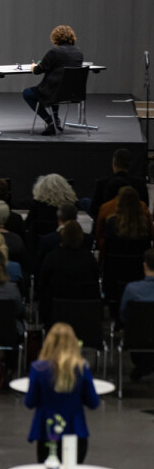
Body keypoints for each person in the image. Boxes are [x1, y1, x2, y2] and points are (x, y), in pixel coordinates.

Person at [24, 322, 100, 466]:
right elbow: (93, 402)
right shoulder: (81, 367)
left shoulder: (38, 369)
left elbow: (30, 402)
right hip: (75, 432)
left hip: (47, 433)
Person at [23, 25, 84, 136]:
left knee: (27, 93)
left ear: (55, 38)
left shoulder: (54, 52)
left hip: (54, 92)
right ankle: (55, 119)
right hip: (72, 93)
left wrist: (33, 66)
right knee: (56, 88)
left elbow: (38, 70)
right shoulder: (78, 53)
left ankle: (50, 120)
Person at [38, 221, 99, 325]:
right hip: (83, 312)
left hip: (55, 312)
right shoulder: (89, 259)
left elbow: (42, 285)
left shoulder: (52, 258)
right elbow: (95, 283)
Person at [120, 248, 154, 380]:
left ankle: (144, 366)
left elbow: (123, 315)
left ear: (145, 265)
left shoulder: (132, 289)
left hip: (136, 341)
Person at [89, 148, 148, 221]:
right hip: (133, 223)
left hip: (107, 224)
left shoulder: (102, 184)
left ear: (114, 163)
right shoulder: (140, 184)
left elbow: (94, 210)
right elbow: (146, 206)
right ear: (129, 165)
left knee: (85, 202)